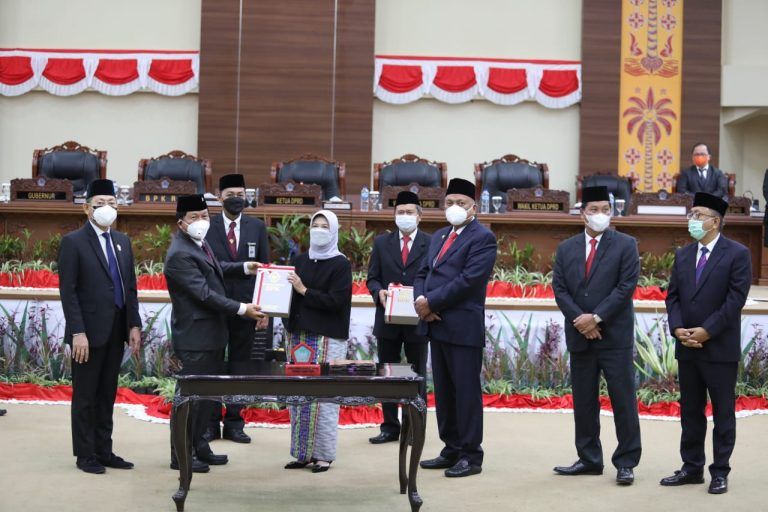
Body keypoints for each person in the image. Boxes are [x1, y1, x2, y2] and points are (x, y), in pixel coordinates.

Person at [164, 194, 265, 473]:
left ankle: (199, 444)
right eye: (194, 217)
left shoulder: (199, 243)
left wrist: (245, 267)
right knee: (189, 399)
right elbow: (204, 294)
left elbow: (217, 269)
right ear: (181, 223)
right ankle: (180, 454)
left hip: (212, 335)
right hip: (196, 337)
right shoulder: (180, 253)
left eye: (205, 215)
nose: (201, 221)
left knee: (207, 399)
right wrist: (243, 308)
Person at [660, 192, 751, 495]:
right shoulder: (684, 254)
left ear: (715, 221)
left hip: (718, 348)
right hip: (687, 346)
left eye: (698, 215)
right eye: (692, 214)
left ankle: (720, 471)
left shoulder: (737, 254)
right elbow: (672, 296)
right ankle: (691, 467)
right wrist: (678, 329)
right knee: (690, 411)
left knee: (723, 412)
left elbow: (735, 299)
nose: (693, 220)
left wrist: (706, 331)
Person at [551, 186, 642, 485]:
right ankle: (589, 458)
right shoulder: (566, 248)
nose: (600, 215)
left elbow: (625, 287)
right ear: (582, 213)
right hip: (580, 336)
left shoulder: (626, 245)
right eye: (594, 210)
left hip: (614, 336)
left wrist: (597, 317)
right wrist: (581, 320)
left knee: (623, 400)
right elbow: (560, 289)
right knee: (585, 401)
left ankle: (626, 461)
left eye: (605, 209)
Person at [58, 179, 142, 474]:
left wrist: (134, 324)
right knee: (86, 395)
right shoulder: (73, 242)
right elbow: (68, 292)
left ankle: (104, 450)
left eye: (112, 204)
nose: (107, 209)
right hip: (87, 333)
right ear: (86, 208)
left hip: (117, 329)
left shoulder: (122, 241)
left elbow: (129, 287)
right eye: (100, 204)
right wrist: (77, 332)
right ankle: (85, 454)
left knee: (107, 393)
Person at [414, 178, 497, 478]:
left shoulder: (482, 238)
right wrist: (421, 299)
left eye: (461, 203)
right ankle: (451, 448)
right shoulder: (437, 237)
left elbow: (468, 281)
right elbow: (422, 272)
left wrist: (431, 302)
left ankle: (471, 455)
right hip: (436, 325)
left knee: (465, 393)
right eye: (450, 203)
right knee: (445, 392)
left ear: (473, 207)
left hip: (462, 326)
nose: (454, 208)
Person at [283, 210, 352, 473]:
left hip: (326, 338)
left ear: (334, 231)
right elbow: (287, 296)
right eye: (315, 225)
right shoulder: (299, 260)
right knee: (298, 395)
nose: (320, 230)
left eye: (325, 226)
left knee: (325, 397)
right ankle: (302, 454)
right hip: (299, 338)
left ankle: (323, 455)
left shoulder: (340, 264)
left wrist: (304, 290)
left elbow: (336, 302)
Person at [204, 174, 270, 444]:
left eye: (241, 194)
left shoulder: (256, 227)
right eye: (231, 193)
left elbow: (264, 268)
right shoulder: (206, 226)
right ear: (219, 197)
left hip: (249, 308)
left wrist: (263, 309)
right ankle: (209, 423)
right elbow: (210, 266)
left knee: (240, 366)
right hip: (215, 307)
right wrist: (242, 267)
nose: (236, 198)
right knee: (214, 365)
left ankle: (234, 422)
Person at [366, 191, 431, 444]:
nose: (405, 216)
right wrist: (378, 291)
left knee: (416, 376)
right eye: (400, 212)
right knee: (388, 375)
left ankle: (416, 427)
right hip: (388, 320)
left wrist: (426, 298)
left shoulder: (431, 242)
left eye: (409, 212)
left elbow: (435, 277)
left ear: (419, 216)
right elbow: (372, 277)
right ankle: (390, 427)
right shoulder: (383, 243)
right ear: (394, 216)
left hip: (417, 319)